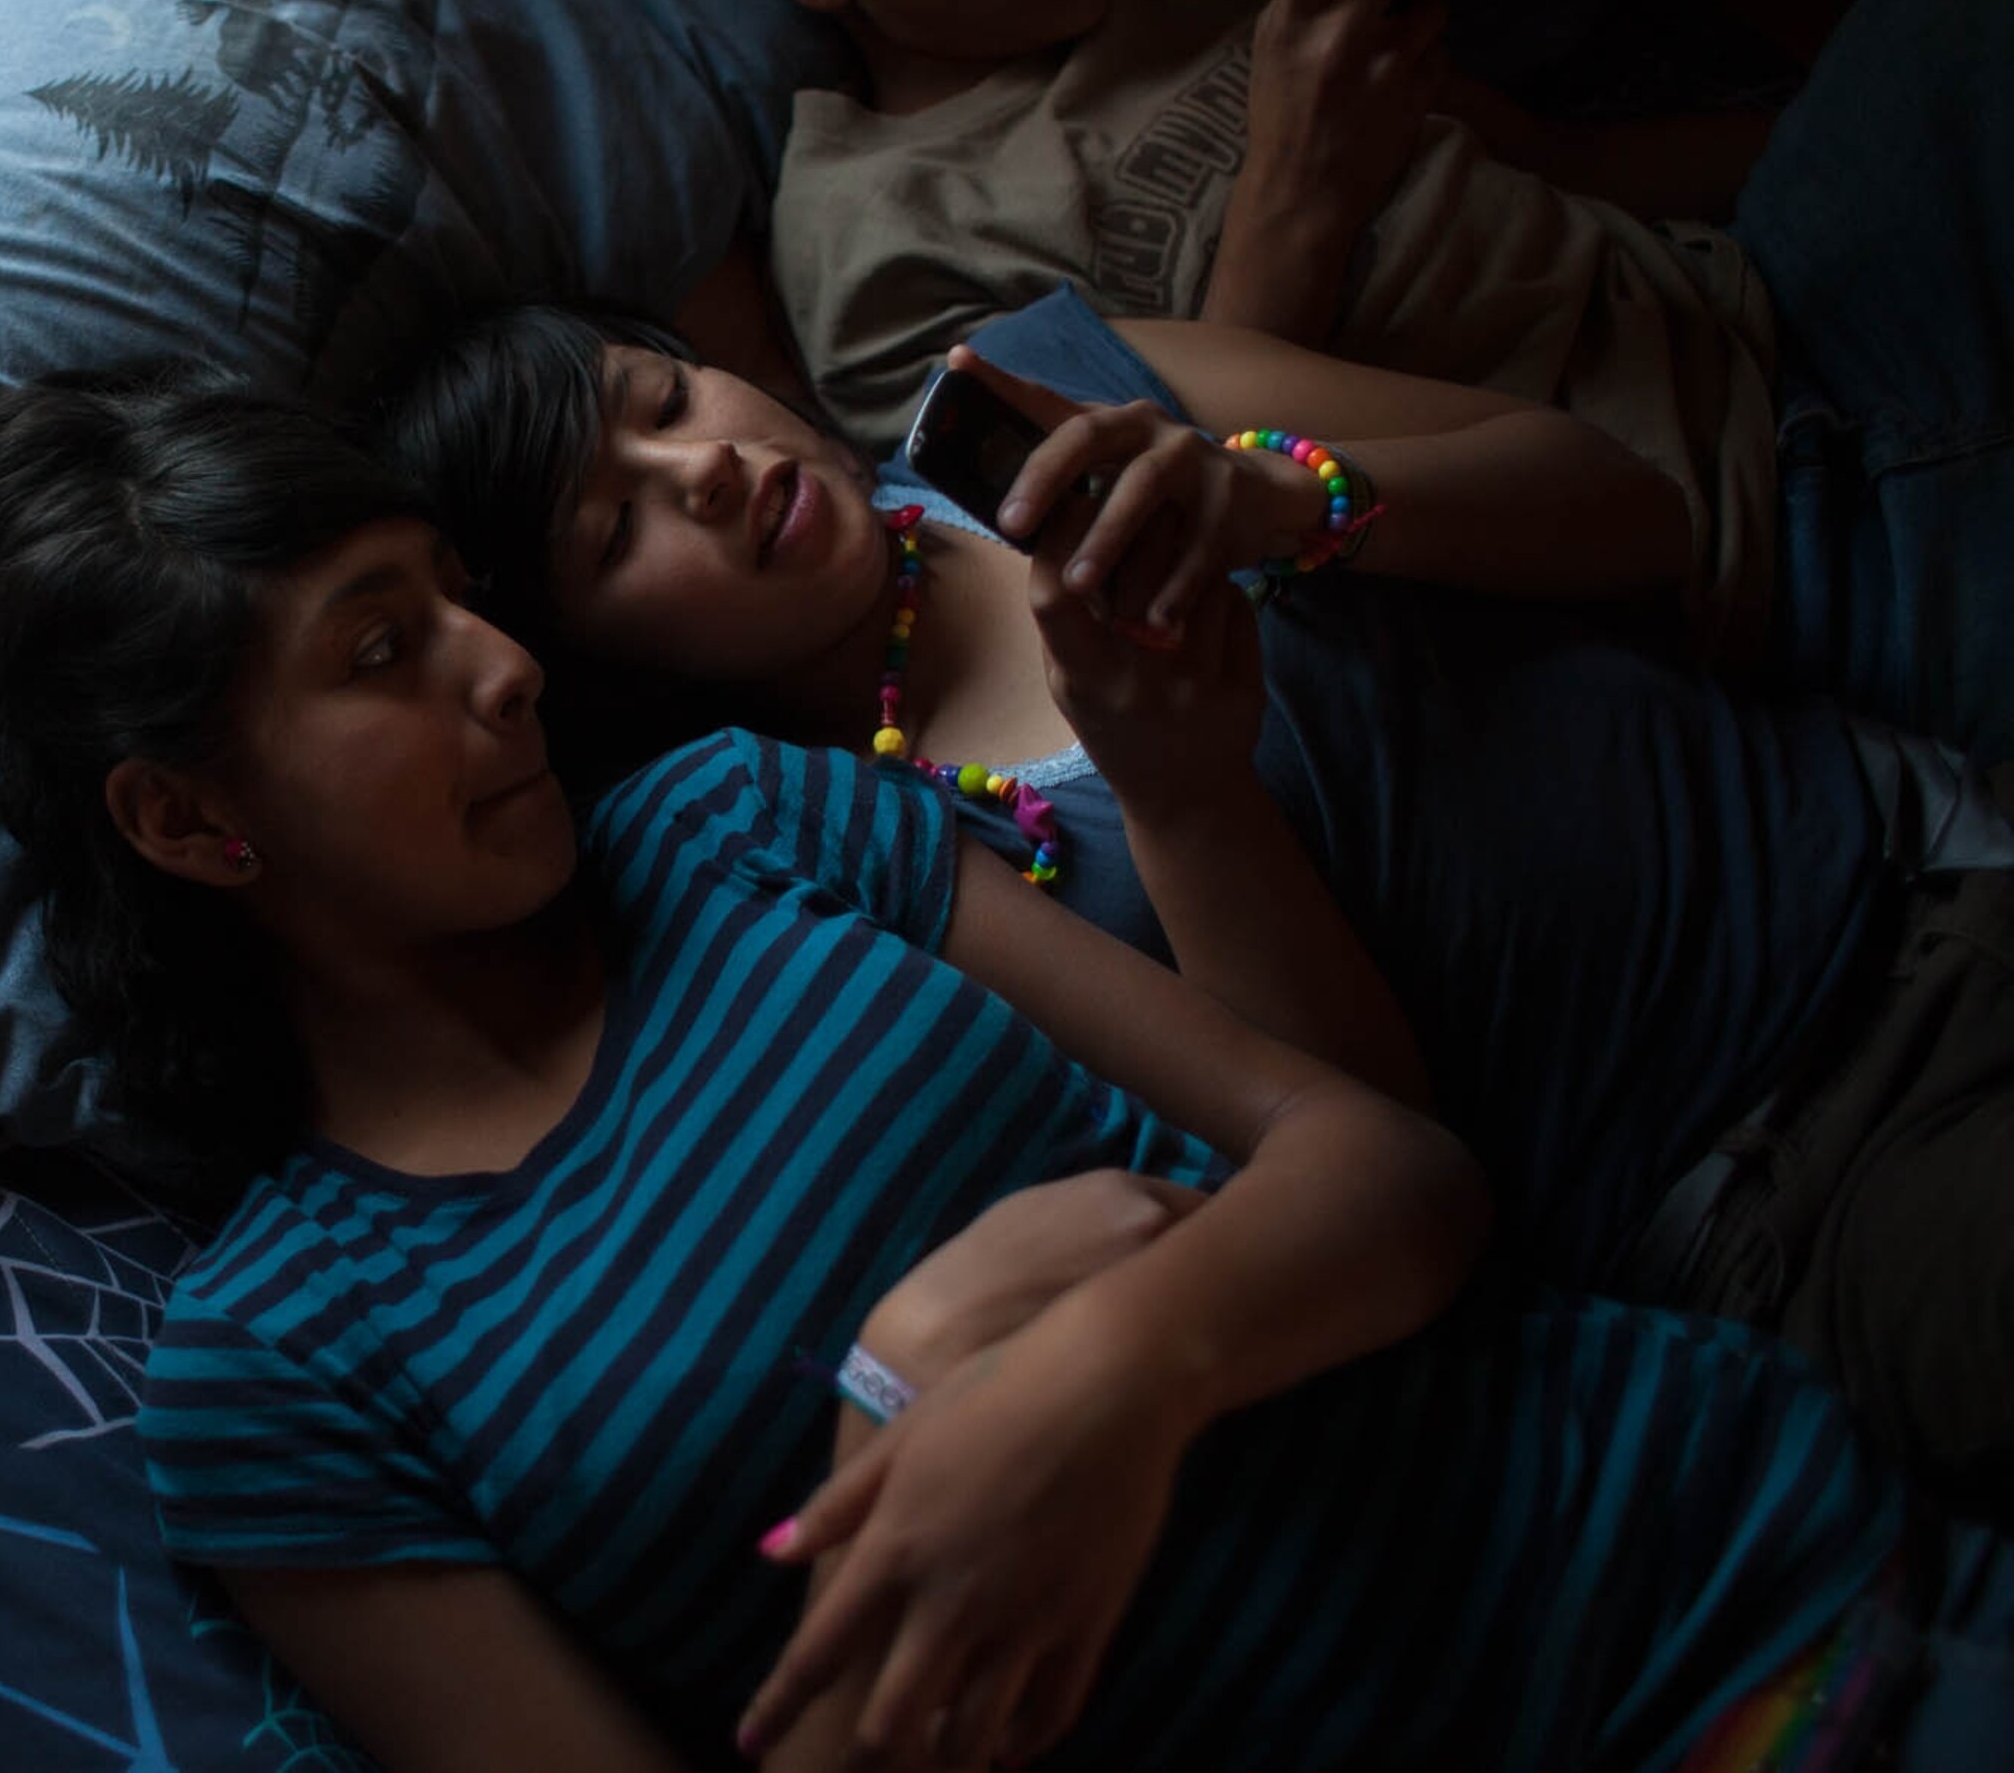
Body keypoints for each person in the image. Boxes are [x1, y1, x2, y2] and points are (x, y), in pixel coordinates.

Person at [0, 369, 2008, 1771]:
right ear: (190, 822)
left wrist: (1130, 1364)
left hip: (1723, 1558)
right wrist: (915, 1409)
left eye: (466, 603)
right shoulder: (281, 1360)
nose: (504, 671)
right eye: (383, 652)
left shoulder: (732, 825)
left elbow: (1401, 1178)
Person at [372, 288, 2014, 1511]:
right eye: (618, 522)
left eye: (664, 396)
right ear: (600, 669)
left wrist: (1299, 505)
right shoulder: (863, 872)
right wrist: (1178, 792)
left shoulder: (1056, 380)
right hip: (1784, 1179)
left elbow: (1629, 514)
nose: (704, 466)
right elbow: (1377, 1162)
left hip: (1918, 842)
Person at [645, 0, 2014, 765]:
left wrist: (1867, 128)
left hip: (1778, 299)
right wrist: (1300, 184)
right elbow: (1183, 579)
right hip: (1755, 550)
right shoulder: (884, 268)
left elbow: (1549, 161)